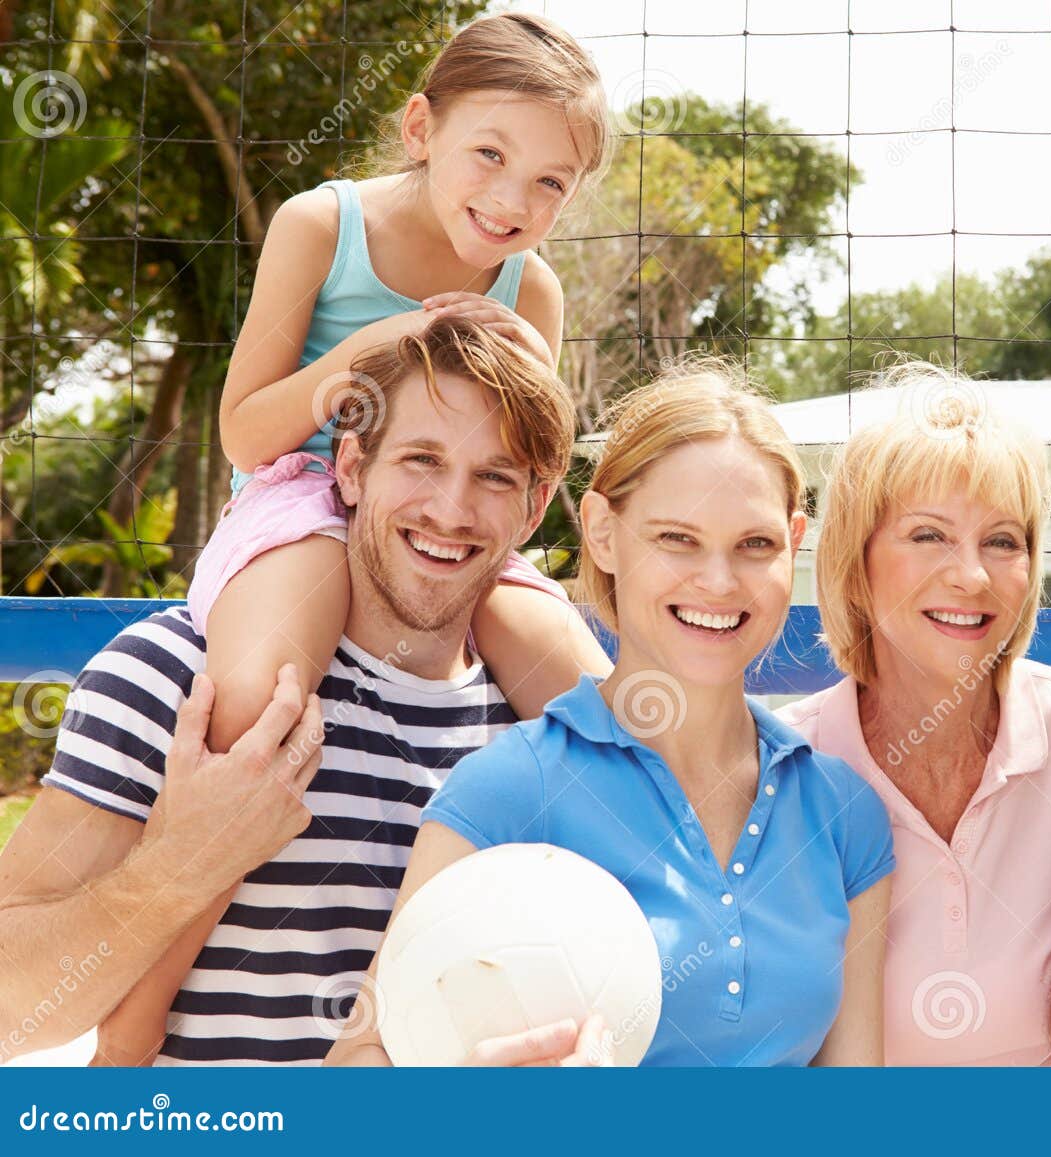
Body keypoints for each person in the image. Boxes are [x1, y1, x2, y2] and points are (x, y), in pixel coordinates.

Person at [0, 317, 603, 1066]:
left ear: (533, 507)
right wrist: (175, 868)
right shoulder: (178, 679)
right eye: (421, 459)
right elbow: (9, 1016)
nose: (451, 509)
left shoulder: (546, 743)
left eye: (495, 476)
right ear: (350, 468)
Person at [326, 359, 895, 1067]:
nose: (718, 582)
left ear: (794, 540)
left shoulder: (843, 814)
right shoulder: (510, 787)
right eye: (676, 539)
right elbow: (356, 1066)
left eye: (755, 544)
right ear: (600, 531)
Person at [202, 10, 612, 753]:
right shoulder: (322, 227)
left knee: (592, 705)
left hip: (447, 515)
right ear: (421, 130)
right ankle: (211, 849)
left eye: (550, 181)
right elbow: (244, 435)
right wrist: (366, 351)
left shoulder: (532, 292)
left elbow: (529, 472)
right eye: (489, 153)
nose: (512, 202)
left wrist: (536, 390)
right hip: (302, 497)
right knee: (260, 696)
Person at [776, 363, 1051, 1065]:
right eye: (929, 535)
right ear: (856, 562)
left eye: (1002, 540)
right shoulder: (784, 767)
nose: (973, 575)